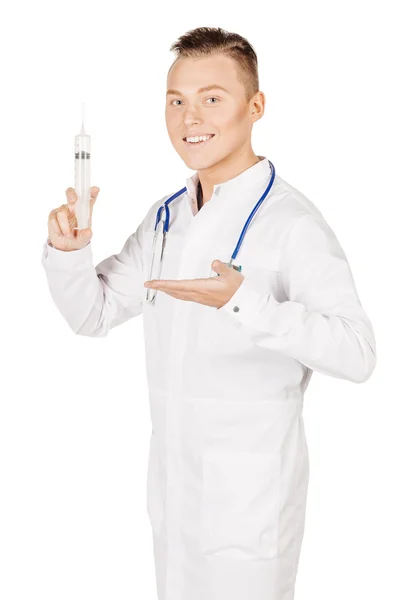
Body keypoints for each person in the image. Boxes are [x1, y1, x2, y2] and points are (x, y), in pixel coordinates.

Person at [41, 26, 376, 600]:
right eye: (176, 102)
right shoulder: (168, 217)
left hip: (249, 504)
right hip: (174, 494)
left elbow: (357, 353)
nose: (189, 118)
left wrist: (242, 301)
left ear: (256, 106)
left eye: (211, 99)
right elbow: (92, 315)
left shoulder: (292, 223)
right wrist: (71, 255)